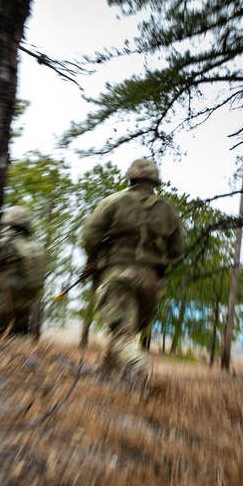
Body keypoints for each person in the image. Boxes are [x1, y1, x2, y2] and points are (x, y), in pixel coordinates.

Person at [82, 158, 184, 387]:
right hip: (151, 282)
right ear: (155, 181)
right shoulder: (168, 210)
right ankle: (106, 373)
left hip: (119, 276)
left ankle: (138, 367)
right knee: (126, 333)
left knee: (122, 335)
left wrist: (93, 259)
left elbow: (89, 237)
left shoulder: (113, 201)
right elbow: (177, 249)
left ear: (131, 177)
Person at [0, 206, 46, 337]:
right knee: (17, 338)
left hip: (1, 304)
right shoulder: (36, 246)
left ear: (9, 222)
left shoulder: (5, 242)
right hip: (26, 306)